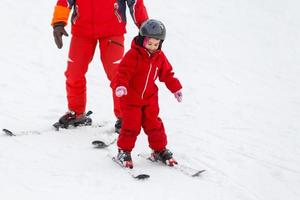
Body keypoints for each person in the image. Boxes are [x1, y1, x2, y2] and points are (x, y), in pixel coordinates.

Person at [51, 0, 149, 132]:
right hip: (82, 30)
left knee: (118, 75)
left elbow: (135, 2)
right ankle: (76, 113)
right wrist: (58, 22)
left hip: (112, 29)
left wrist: (144, 25)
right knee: (74, 73)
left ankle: (125, 116)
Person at [111, 19, 183, 168]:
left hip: (150, 98)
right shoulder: (133, 55)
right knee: (131, 125)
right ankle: (123, 151)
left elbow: (167, 74)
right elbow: (123, 73)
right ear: (142, 39)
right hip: (131, 98)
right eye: (149, 44)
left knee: (154, 124)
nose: (152, 47)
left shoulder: (159, 57)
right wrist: (121, 87)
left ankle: (158, 150)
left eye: (156, 44)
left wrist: (175, 88)